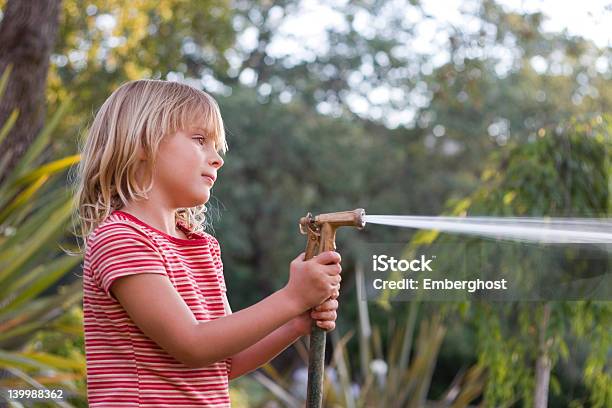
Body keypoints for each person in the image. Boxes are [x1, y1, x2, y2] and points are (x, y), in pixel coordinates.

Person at [71, 79, 342, 407]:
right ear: (141, 142)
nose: (217, 159)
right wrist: (291, 297)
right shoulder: (121, 239)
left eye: (217, 147)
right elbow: (192, 344)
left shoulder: (202, 247)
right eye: (200, 140)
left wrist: (297, 321)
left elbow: (225, 361)